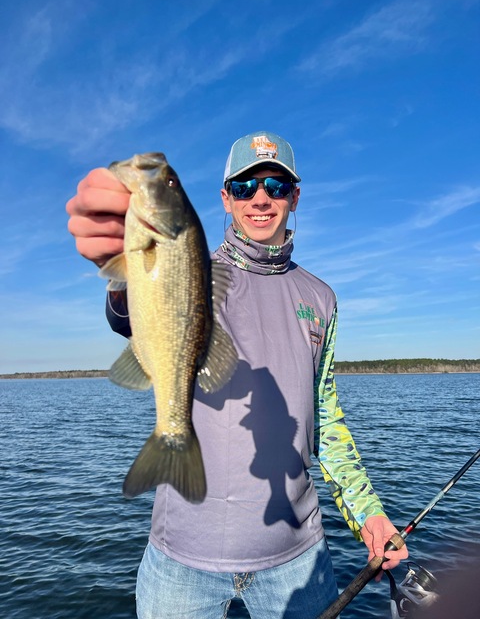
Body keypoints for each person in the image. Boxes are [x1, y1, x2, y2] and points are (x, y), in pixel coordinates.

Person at [66, 131, 408, 618]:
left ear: (294, 197)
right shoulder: (192, 268)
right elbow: (133, 314)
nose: (261, 198)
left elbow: (325, 419)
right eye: (246, 187)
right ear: (226, 199)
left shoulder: (323, 299)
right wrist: (117, 269)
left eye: (275, 185)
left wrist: (368, 513)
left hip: (298, 557)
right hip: (179, 564)